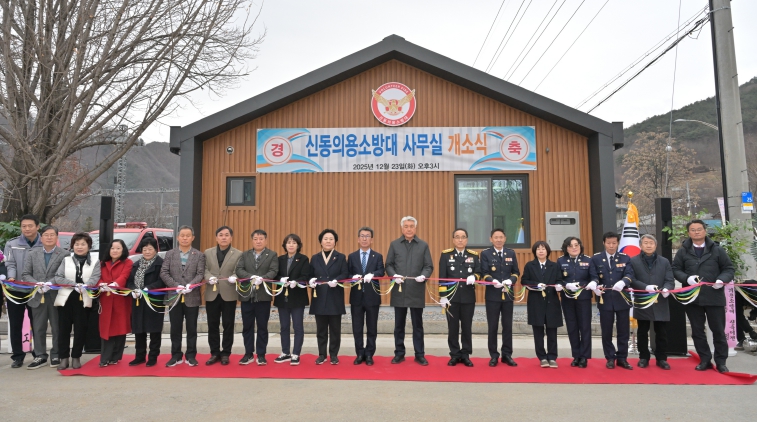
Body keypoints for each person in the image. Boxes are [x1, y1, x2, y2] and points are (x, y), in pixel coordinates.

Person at [672, 219, 734, 373]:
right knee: (697, 331)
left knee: (718, 331)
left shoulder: (717, 250)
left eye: (699, 229)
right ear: (688, 233)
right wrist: (687, 278)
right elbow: (676, 269)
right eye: (693, 230)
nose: (696, 232)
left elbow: (728, 269)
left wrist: (721, 280)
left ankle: (721, 362)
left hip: (714, 296)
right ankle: (705, 359)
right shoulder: (683, 251)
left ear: (705, 231)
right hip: (693, 298)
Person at [385, 216, 433, 366]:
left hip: (416, 290)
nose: (409, 229)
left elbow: (428, 266)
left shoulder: (423, 245)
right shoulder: (394, 244)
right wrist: (394, 275)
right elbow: (388, 264)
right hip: (399, 291)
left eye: (411, 226)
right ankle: (399, 353)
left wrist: (424, 276)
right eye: (406, 226)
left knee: (417, 326)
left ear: (415, 228)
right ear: (402, 228)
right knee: (399, 326)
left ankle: (419, 354)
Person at [21, 225, 67, 369]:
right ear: (41, 237)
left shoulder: (64, 254)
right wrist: (37, 284)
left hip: (56, 296)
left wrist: (50, 283)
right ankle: (40, 355)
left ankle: (56, 354)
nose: (49, 237)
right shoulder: (32, 253)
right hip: (37, 296)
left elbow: (64, 274)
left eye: (52, 235)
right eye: (46, 235)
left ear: (57, 237)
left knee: (57, 328)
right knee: (38, 327)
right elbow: (25, 274)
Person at [53, 232, 101, 370]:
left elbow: (95, 278)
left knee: (80, 330)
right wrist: (74, 284)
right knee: (64, 330)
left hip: (83, 298)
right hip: (66, 299)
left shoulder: (95, 261)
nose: (79, 247)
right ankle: (64, 358)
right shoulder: (66, 260)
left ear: (89, 246)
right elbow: (58, 277)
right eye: (77, 244)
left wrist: (85, 285)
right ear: (72, 246)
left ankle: (76, 357)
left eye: (83, 244)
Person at [160, 225, 206, 367]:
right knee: (175, 328)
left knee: (192, 328)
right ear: (178, 237)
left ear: (193, 238)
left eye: (188, 236)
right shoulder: (170, 254)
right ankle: (176, 355)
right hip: (174, 296)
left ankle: (191, 355)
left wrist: (190, 285)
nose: (185, 238)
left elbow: (200, 273)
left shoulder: (199, 255)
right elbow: (164, 272)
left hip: (192, 296)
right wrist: (176, 285)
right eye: (182, 235)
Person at [590, 232, 635, 370]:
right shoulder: (596, 258)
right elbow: (593, 275)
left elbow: (630, 274)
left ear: (618, 243)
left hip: (622, 299)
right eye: (608, 243)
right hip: (605, 300)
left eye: (614, 243)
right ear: (604, 243)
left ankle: (622, 358)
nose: (611, 246)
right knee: (606, 331)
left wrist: (623, 282)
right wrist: (595, 285)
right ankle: (610, 357)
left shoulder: (625, 257)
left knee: (623, 331)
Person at [629, 234, 675, 370]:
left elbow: (670, 279)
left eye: (651, 243)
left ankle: (662, 358)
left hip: (660, 301)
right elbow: (631, 279)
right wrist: (645, 287)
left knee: (661, 332)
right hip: (643, 300)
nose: (648, 245)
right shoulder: (633, 261)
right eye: (645, 243)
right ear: (640, 245)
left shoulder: (664, 261)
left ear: (655, 245)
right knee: (642, 331)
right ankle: (643, 357)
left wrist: (667, 288)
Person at [3, 214, 42, 368]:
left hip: (36, 291)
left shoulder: (44, 243)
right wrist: (11, 277)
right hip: (16, 290)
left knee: (37, 323)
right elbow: (10, 263)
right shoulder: (12, 244)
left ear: (37, 227)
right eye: (24, 226)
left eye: (30, 226)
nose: (27, 229)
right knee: (15, 324)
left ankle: (38, 354)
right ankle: (18, 356)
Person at [235, 229, 278, 366]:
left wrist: (262, 278)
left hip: (263, 296)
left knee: (262, 326)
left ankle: (261, 354)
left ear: (266, 240)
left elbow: (274, 270)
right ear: (252, 240)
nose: (258, 241)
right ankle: (248, 354)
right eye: (255, 239)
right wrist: (251, 277)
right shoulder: (245, 254)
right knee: (247, 326)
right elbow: (239, 269)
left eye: (261, 239)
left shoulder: (272, 255)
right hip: (247, 295)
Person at [438, 228, 480, 367]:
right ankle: (455, 354)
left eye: (463, 237)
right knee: (453, 328)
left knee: (467, 328)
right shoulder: (446, 255)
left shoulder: (474, 256)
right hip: (451, 298)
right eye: (457, 237)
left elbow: (479, 272)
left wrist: (474, 277)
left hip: (468, 298)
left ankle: (466, 355)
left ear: (467, 239)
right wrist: (443, 297)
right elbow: (442, 277)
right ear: (453, 239)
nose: (460, 240)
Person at [480, 228, 520, 367]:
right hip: (492, 295)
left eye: (501, 237)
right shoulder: (486, 254)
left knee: (507, 326)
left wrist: (511, 280)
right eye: (496, 237)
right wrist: (492, 281)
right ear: (491, 239)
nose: (498, 240)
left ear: (505, 238)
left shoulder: (511, 253)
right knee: (493, 326)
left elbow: (516, 272)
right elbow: (484, 272)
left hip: (507, 295)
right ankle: (494, 355)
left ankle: (507, 355)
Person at [309, 229, 349, 365]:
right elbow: (310, 274)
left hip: (334, 296)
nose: (328, 241)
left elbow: (345, 273)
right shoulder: (315, 258)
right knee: (321, 329)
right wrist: (311, 280)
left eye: (331, 239)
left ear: (335, 242)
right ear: (321, 242)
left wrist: (337, 280)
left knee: (335, 329)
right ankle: (322, 354)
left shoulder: (341, 257)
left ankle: (334, 355)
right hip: (319, 296)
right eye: (325, 239)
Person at [521, 240, 563, 368]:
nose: (541, 251)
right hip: (536, 303)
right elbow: (524, 280)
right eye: (538, 249)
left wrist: (559, 285)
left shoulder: (554, 266)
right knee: (538, 332)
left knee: (552, 332)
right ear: (535, 251)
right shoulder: (530, 265)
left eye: (543, 249)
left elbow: (560, 279)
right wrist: (535, 284)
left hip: (552, 302)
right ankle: (542, 357)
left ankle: (552, 357)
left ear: (547, 251)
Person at [204, 226, 242, 366]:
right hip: (212, 293)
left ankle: (226, 353)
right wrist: (209, 277)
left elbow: (239, 270)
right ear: (216, 237)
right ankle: (214, 353)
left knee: (228, 324)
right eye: (221, 235)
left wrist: (235, 276)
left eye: (226, 235)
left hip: (229, 293)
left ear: (231, 238)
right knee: (212, 324)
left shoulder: (238, 254)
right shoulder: (208, 252)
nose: (224, 237)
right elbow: (204, 269)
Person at [347, 227, 385, 366]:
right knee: (357, 328)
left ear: (372, 240)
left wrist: (373, 274)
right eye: (362, 236)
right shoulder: (352, 256)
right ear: (358, 239)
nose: (364, 238)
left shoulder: (377, 256)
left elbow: (381, 271)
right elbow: (346, 273)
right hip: (356, 298)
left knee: (372, 328)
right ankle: (359, 353)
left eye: (367, 236)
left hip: (372, 297)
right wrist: (353, 277)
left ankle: (369, 354)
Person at [557, 236, 595, 368]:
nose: (574, 248)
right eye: (570, 246)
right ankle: (576, 356)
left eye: (576, 245)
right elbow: (558, 278)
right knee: (572, 327)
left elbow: (594, 277)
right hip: (567, 298)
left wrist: (592, 283)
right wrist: (565, 285)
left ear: (580, 246)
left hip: (583, 298)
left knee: (584, 327)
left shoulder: (588, 260)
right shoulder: (561, 261)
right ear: (566, 248)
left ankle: (584, 356)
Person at [273, 234, 311, 366]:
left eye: (294, 242)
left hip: (297, 297)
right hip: (282, 297)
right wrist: (280, 279)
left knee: (297, 326)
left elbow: (306, 276)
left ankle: (296, 353)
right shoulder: (280, 259)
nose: (291, 245)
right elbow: (275, 275)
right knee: (284, 326)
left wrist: (296, 281)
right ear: (285, 245)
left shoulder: (303, 259)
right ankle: (285, 352)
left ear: (298, 245)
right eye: (289, 242)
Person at [126, 237, 164, 367]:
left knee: (154, 330)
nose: (147, 252)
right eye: (144, 249)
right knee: (139, 329)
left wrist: (148, 288)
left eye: (150, 249)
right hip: (138, 300)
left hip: (153, 300)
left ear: (156, 250)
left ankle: (153, 356)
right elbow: (130, 281)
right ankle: (140, 356)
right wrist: (133, 290)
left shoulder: (160, 264)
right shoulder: (136, 264)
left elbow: (162, 281)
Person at [97, 239, 133, 367]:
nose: (115, 251)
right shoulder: (103, 263)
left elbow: (124, 276)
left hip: (120, 299)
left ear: (123, 250)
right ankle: (105, 358)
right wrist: (101, 284)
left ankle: (115, 357)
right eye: (112, 248)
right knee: (106, 329)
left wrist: (115, 284)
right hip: (106, 298)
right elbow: (97, 276)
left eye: (118, 248)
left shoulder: (127, 262)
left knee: (120, 327)